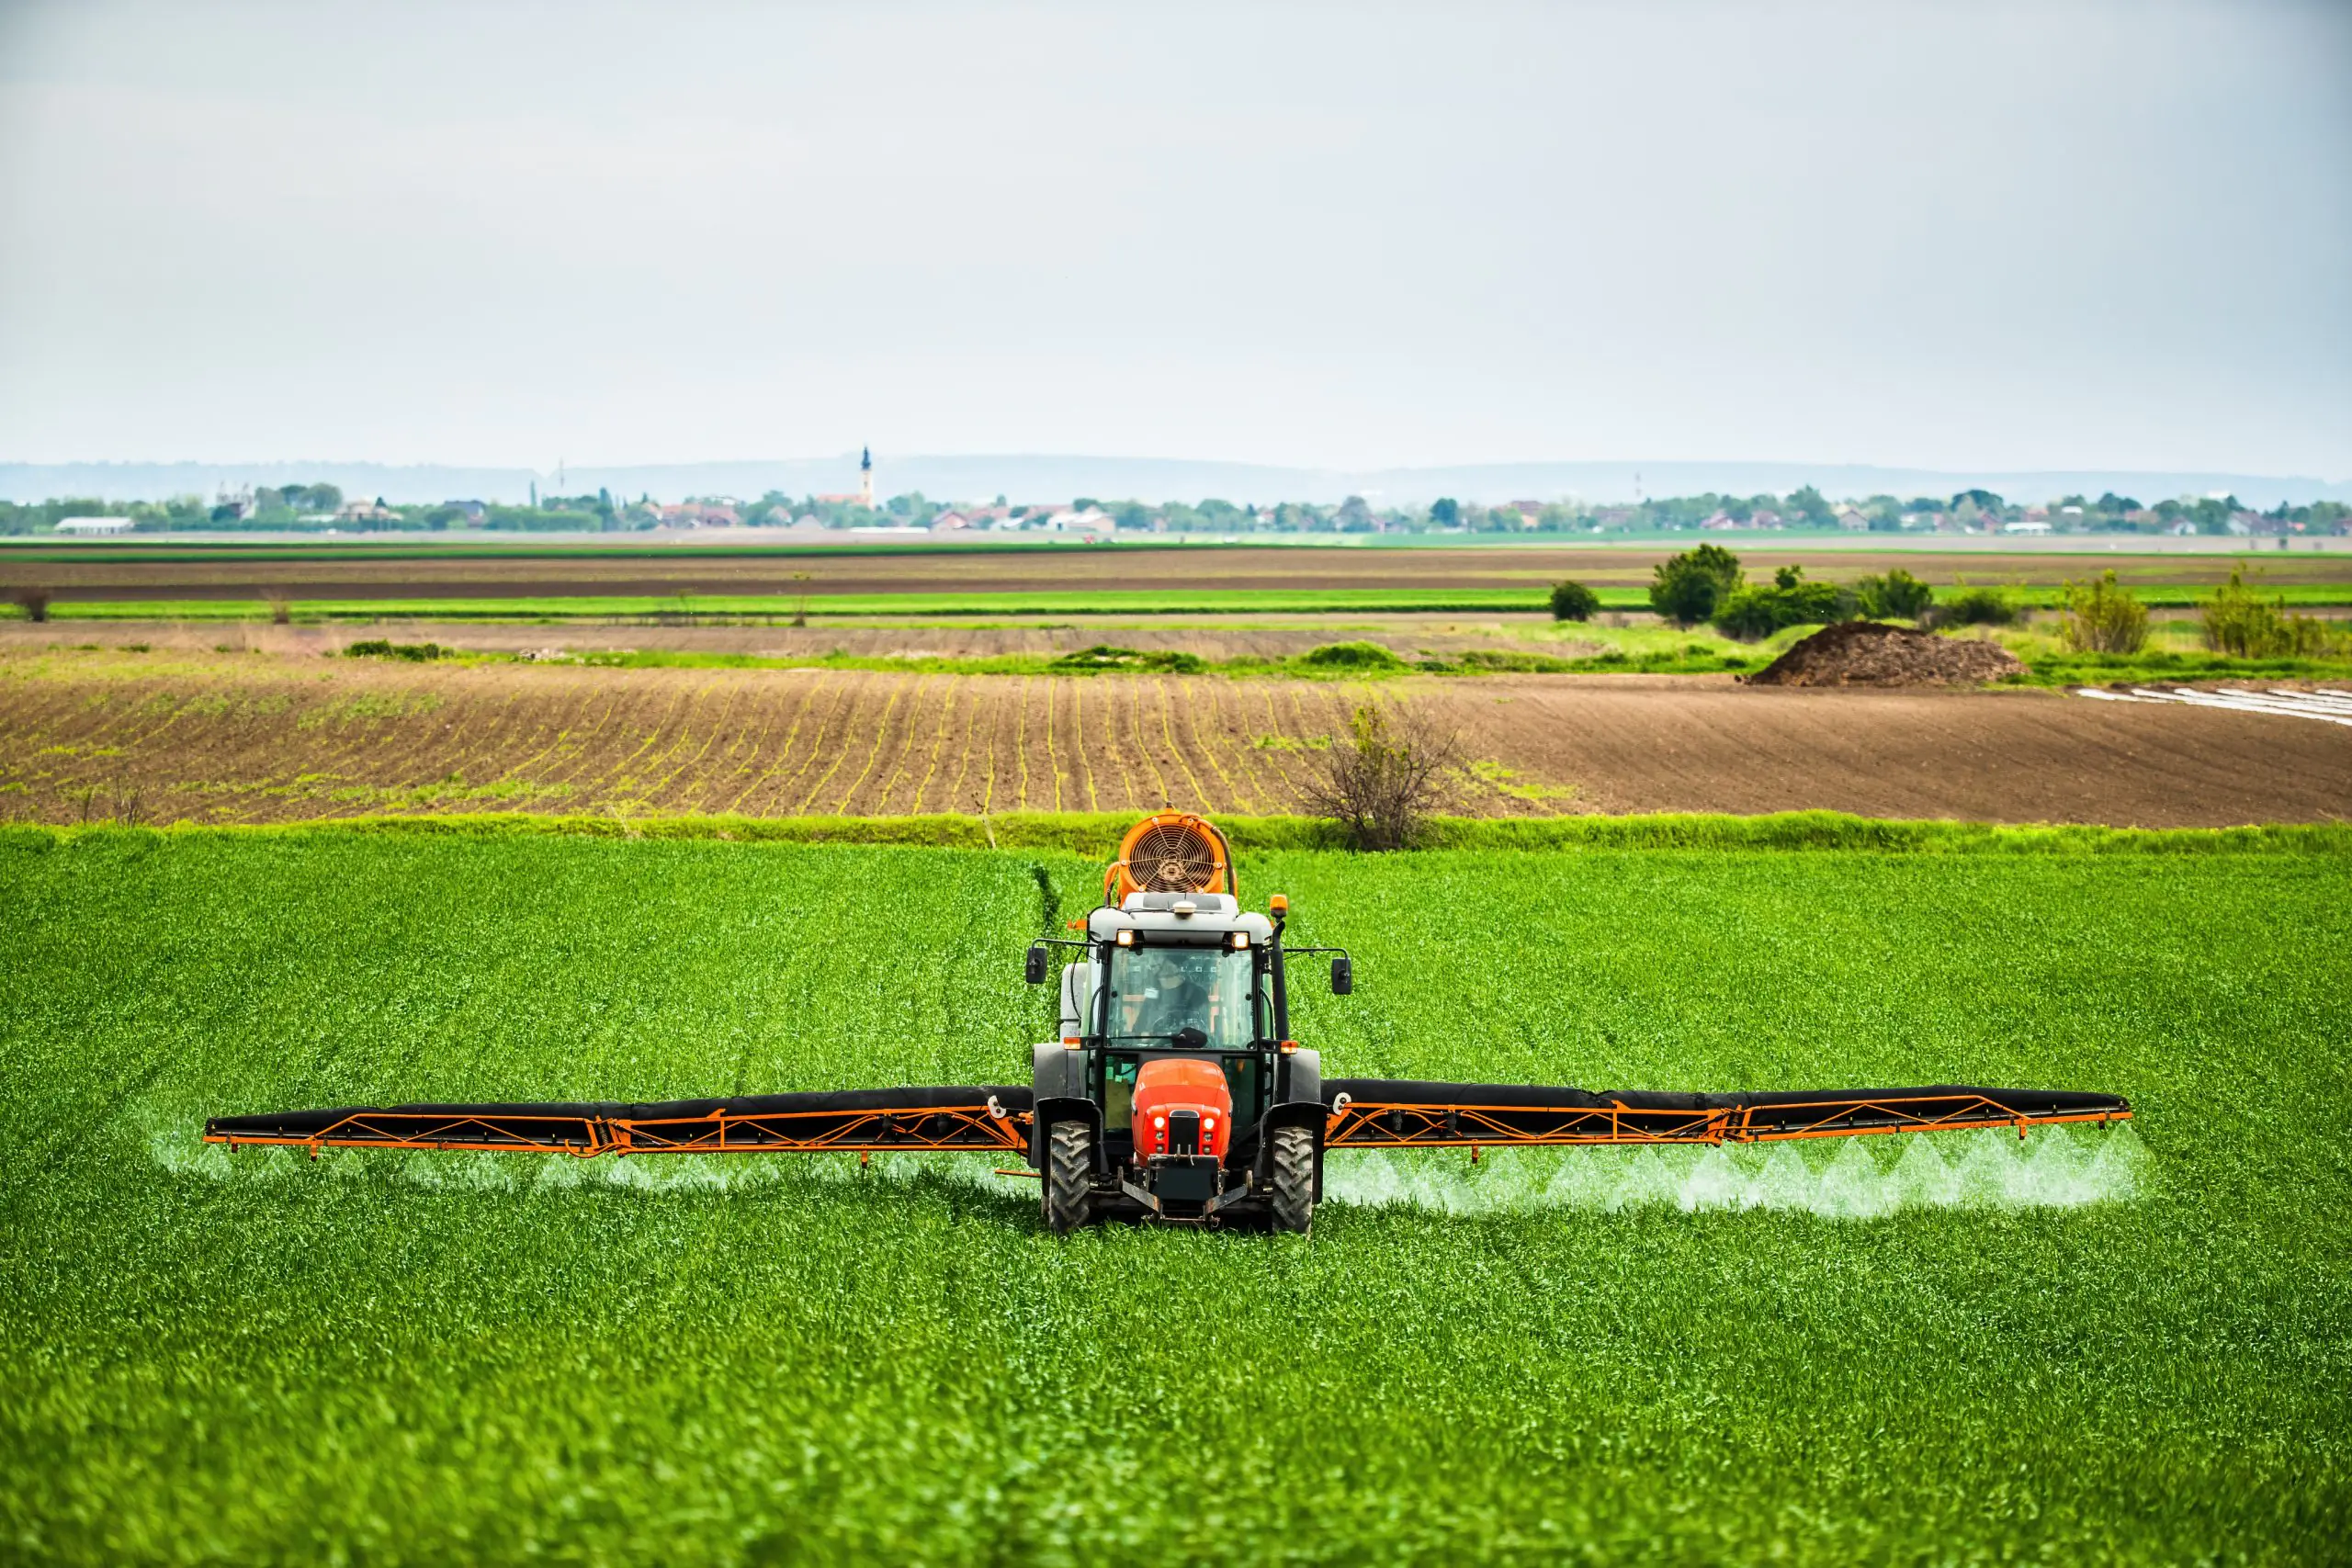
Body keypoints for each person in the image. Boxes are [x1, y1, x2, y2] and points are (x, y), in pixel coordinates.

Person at [1122, 951, 1213, 1042]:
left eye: (1157, 957)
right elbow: (1138, 1031)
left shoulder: (1197, 994)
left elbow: (1204, 1034)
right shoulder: (1152, 996)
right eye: (1152, 958)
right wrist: (1145, 1036)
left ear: (1175, 965)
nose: (1151, 963)